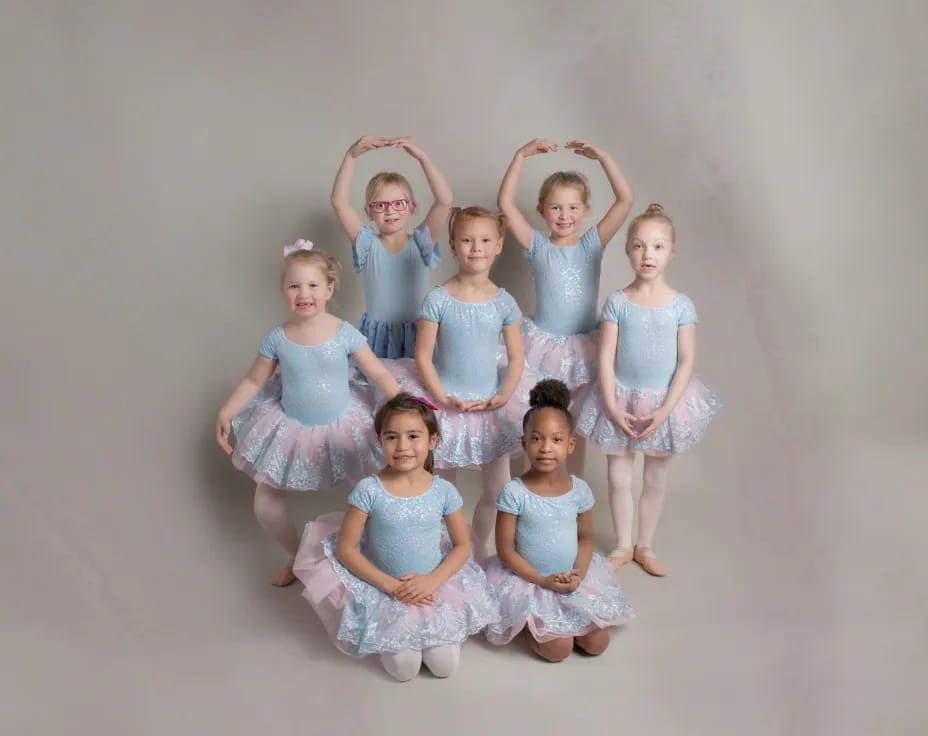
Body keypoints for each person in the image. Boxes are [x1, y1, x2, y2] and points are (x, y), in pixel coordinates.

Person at [216, 242, 400, 586]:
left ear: (329, 289)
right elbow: (255, 378)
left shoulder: (343, 332)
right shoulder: (277, 337)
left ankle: (376, 557)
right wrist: (227, 410)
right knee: (266, 505)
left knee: (377, 497)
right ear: (282, 290)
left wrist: (401, 405)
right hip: (292, 431)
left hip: (345, 428)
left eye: (313, 285)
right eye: (294, 286)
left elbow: (378, 374)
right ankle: (297, 555)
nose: (304, 293)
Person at [293, 393, 496, 681]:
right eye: (392, 437)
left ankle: (430, 631)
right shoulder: (369, 490)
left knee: (445, 667)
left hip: (432, 584)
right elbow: (347, 549)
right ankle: (394, 638)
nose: (403, 446)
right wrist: (389, 585)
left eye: (413, 436)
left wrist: (431, 581)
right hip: (383, 585)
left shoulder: (443, 491)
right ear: (380, 441)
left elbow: (463, 545)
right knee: (404, 670)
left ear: (432, 441)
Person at [575, 205, 722, 575]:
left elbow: (686, 361)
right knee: (618, 476)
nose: (648, 255)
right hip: (619, 398)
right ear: (628, 250)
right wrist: (610, 403)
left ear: (671, 252)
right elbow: (605, 358)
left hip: (665, 402)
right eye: (639, 246)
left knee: (655, 478)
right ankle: (624, 545)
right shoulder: (618, 303)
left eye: (657, 247)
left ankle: (646, 545)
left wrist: (666, 409)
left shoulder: (680, 305)